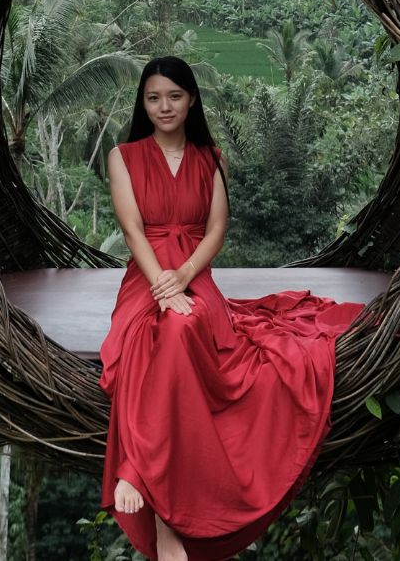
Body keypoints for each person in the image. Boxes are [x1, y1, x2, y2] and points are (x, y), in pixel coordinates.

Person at [99, 57, 363, 561]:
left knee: (184, 327)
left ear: (192, 99)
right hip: (145, 278)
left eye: (174, 96)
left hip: (195, 275)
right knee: (146, 337)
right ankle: (144, 480)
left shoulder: (210, 157)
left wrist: (185, 277)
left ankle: (141, 476)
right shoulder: (123, 156)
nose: (164, 107)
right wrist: (162, 286)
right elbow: (133, 229)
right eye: (153, 98)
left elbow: (217, 229)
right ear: (143, 103)